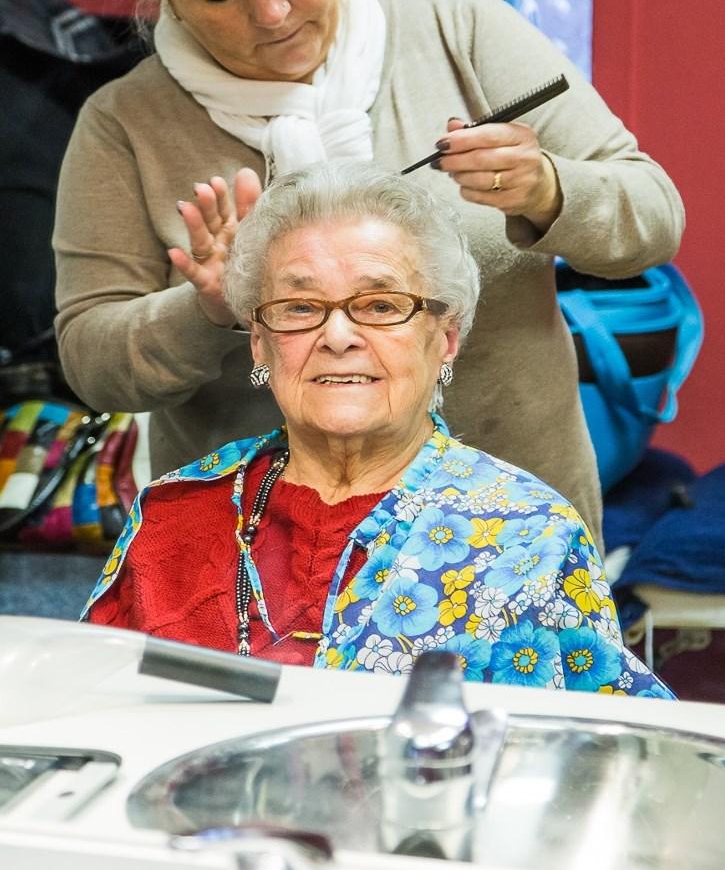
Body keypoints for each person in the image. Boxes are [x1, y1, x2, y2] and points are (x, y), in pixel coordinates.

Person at [53, 0, 684, 551]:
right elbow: (91, 362)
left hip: (507, 532)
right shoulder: (125, 124)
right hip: (247, 558)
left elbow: (652, 217)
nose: (273, 13)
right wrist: (207, 310)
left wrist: (546, 187)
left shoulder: (468, 38)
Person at [84, 161, 672, 697]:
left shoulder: (529, 536)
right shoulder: (175, 512)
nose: (338, 337)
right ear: (260, 344)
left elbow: (583, 766)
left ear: (445, 339)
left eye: (382, 306)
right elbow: (88, 713)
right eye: (299, 307)